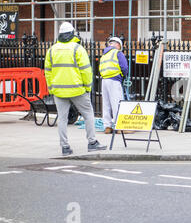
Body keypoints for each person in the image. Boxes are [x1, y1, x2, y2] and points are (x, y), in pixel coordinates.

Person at [44, 22, 107, 155]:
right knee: (88, 114)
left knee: (62, 118)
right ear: (72, 34)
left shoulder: (52, 50)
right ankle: (92, 142)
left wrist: (51, 88)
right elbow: (86, 70)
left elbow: (48, 72)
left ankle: (65, 147)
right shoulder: (77, 49)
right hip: (77, 89)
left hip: (59, 90)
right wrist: (87, 87)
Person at [99, 36, 131, 134]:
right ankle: (119, 126)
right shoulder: (118, 53)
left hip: (104, 80)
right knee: (117, 103)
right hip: (114, 80)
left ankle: (107, 127)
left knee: (106, 104)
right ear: (118, 45)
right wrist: (122, 76)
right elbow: (124, 67)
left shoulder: (104, 54)